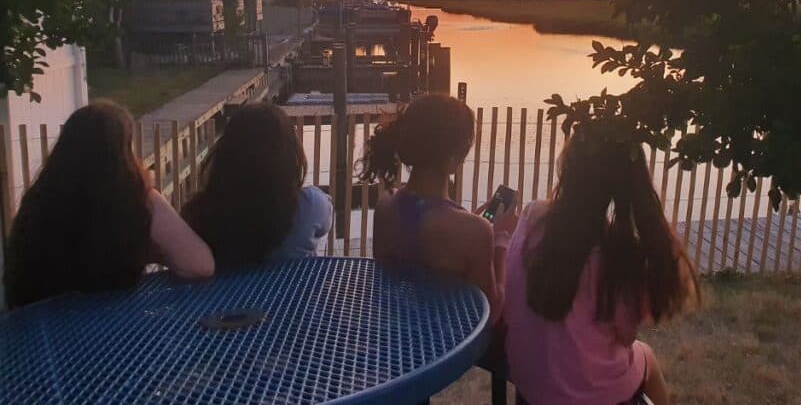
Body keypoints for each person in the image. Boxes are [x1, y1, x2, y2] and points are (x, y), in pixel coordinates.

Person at [504, 123, 701, 405]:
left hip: (532, 387)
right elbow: (625, 336)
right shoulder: (620, 259)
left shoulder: (533, 216)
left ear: (568, 171)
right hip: (596, 395)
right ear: (627, 185)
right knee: (646, 356)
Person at [4, 101, 214, 308]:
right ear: (123, 154)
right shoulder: (134, 203)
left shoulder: (36, 203)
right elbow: (200, 266)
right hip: (109, 335)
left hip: (35, 336)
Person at [361, 94, 516, 321]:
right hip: (451, 349)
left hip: (395, 338)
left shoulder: (386, 205)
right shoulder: (475, 232)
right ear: (455, 157)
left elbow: (417, 245)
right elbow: (490, 315)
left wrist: (467, 218)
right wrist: (501, 240)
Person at [183, 102, 333, 269]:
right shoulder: (311, 205)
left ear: (225, 155)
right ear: (289, 155)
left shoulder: (199, 214)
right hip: (293, 294)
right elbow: (326, 219)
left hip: (230, 295)